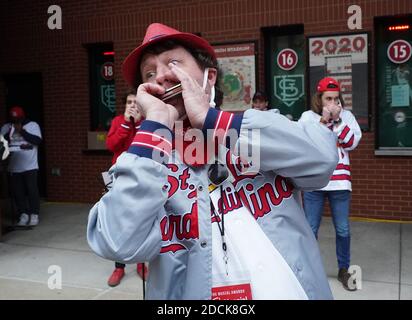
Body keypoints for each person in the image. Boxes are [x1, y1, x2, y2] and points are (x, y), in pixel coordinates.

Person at [87, 23, 339, 300]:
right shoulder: (148, 164)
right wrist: (156, 125)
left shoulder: (254, 132)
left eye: (172, 62)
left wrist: (211, 120)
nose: (160, 76)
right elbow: (115, 241)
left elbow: (322, 162)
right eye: (149, 73)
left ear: (209, 76)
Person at [298, 77, 362, 291]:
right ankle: (310, 271)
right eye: (328, 99)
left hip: (340, 184)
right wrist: (324, 122)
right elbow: (306, 142)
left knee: (343, 229)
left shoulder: (347, 117)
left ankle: (344, 270)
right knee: (311, 229)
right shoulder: (308, 117)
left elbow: (352, 143)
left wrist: (338, 122)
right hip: (314, 182)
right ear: (320, 99)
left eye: (336, 99)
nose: (333, 103)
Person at [105, 89, 148, 287]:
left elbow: (146, 146)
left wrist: (138, 124)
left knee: (140, 222)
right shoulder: (117, 122)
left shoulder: (146, 123)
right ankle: (119, 267)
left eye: (135, 102)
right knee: (119, 223)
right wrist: (125, 123)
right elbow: (112, 145)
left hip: (140, 177)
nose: (132, 105)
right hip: (119, 176)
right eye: (129, 102)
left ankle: (141, 263)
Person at [1, 106, 42, 227]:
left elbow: (37, 141)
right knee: (18, 192)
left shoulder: (32, 125)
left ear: (23, 117)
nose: (16, 122)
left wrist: (22, 131)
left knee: (32, 190)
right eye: (14, 120)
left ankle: (34, 214)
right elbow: (2, 143)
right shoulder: (6, 127)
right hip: (14, 166)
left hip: (30, 165)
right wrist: (11, 132)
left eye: (18, 119)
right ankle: (23, 214)